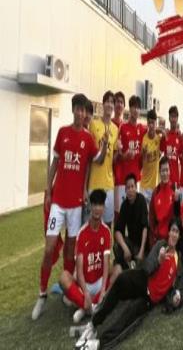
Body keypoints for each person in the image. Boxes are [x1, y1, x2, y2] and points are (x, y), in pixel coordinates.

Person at [32, 93, 105, 321]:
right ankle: (42, 294)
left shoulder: (88, 139)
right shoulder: (63, 133)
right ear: (73, 110)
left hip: (75, 205)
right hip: (58, 203)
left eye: (84, 110)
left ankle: (68, 291)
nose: (81, 113)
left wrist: (104, 146)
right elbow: (55, 163)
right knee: (49, 247)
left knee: (71, 250)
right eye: (78, 109)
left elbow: (97, 160)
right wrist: (48, 190)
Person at [75, 220, 183, 350]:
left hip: (149, 298)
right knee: (121, 279)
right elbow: (148, 268)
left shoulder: (177, 259)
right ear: (169, 232)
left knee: (129, 316)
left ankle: (98, 344)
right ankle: (93, 324)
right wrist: (159, 261)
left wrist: (176, 297)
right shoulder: (161, 245)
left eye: (177, 232)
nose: (174, 234)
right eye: (172, 230)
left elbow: (172, 286)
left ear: (179, 236)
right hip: (143, 279)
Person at [60, 189, 112, 324]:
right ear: (90, 207)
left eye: (100, 205)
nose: (97, 208)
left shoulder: (106, 231)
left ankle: (84, 307)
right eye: (94, 204)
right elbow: (79, 269)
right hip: (86, 285)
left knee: (117, 270)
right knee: (64, 277)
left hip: (100, 282)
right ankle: (92, 306)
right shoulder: (82, 233)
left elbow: (106, 264)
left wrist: (103, 290)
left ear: (103, 208)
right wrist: (86, 292)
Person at [87, 91, 119, 227]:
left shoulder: (115, 129)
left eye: (112, 102)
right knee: (92, 223)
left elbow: (113, 159)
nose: (110, 105)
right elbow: (92, 157)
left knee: (108, 223)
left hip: (109, 183)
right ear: (103, 104)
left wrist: (120, 152)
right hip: (95, 182)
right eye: (107, 101)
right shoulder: (94, 124)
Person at [113, 174, 149, 274]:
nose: (130, 190)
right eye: (128, 187)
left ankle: (129, 265)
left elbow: (145, 227)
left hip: (142, 245)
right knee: (117, 246)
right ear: (125, 190)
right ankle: (126, 266)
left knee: (141, 271)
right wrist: (125, 248)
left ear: (136, 187)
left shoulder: (141, 200)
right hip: (131, 243)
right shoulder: (124, 205)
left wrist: (141, 251)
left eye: (132, 186)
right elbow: (117, 230)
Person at [116, 95, 147, 207]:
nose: (136, 110)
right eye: (134, 107)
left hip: (137, 179)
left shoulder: (142, 129)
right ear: (130, 108)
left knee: (135, 211)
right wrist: (125, 156)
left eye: (138, 108)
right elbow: (118, 154)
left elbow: (153, 130)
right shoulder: (122, 127)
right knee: (121, 211)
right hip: (123, 179)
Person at [149, 157, 179, 248]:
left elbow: (178, 217)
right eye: (163, 171)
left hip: (171, 240)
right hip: (158, 239)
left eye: (167, 170)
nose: (165, 173)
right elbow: (151, 218)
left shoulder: (175, 190)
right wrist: (154, 239)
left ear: (170, 171)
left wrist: (177, 201)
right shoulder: (156, 192)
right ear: (159, 172)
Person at [141, 109, 163, 205]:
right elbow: (142, 162)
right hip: (144, 186)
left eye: (153, 123)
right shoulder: (143, 139)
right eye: (149, 123)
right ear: (147, 123)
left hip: (155, 186)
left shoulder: (159, 138)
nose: (151, 125)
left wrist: (162, 131)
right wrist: (144, 154)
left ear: (156, 123)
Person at [112, 91, 126, 221]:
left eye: (121, 102)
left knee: (119, 214)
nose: (119, 105)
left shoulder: (125, 126)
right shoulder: (108, 124)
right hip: (107, 176)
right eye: (117, 102)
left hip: (121, 177)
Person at [160, 106, 181, 190]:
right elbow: (160, 152)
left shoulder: (180, 137)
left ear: (177, 118)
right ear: (169, 118)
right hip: (166, 178)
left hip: (176, 180)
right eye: (172, 116)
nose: (173, 119)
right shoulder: (165, 135)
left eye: (175, 117)